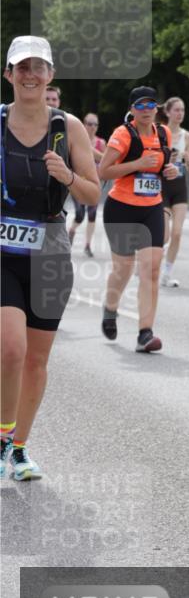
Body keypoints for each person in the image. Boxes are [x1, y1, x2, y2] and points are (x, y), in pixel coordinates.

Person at [1, 36, 99, 481]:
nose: (30, 75)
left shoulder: (68, 127)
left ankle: (19, 449)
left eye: (38, 67)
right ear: (8, 75)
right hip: (3, 251)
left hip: (50, 252)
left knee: (37, 359)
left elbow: (95, 192)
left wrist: (69, 174)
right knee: (10, 349)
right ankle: (3, 438)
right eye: (22, 68)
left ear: (51, 76)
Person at [98, 87, 179, 352]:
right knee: (123, 269)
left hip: (151, 208)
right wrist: (137, 164)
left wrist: (170, 169)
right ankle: (110, 309)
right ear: (132, 110)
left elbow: (165, 165)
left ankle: (145, 333)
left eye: (150, 105)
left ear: (157, 108)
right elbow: (104, 170)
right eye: (140, 106)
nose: (146, 110)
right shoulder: (123, 134)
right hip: (121, 208)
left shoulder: (164, 133)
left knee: (151, 270)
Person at [160, 96, 189, 287]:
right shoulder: (159, 133)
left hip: (180, 187)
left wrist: (188, 160)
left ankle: (167, 273)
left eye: (182, 110)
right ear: (167, 112)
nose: (180, 114)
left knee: (177, 233)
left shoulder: (186, 136)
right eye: (176, 110)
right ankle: (147, 260)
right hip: (162, 187)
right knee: (164, 235)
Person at [68, 112, 106, 256]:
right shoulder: (76, 139)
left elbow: (105, 161)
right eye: (89, 124)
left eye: (95, 124)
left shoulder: (100, 143)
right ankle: (72, 230)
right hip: (77, 182)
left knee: (92, 214)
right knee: (79, 214)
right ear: (84, 124)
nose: (92, 127)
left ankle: (88, 245)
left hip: (93, 183)